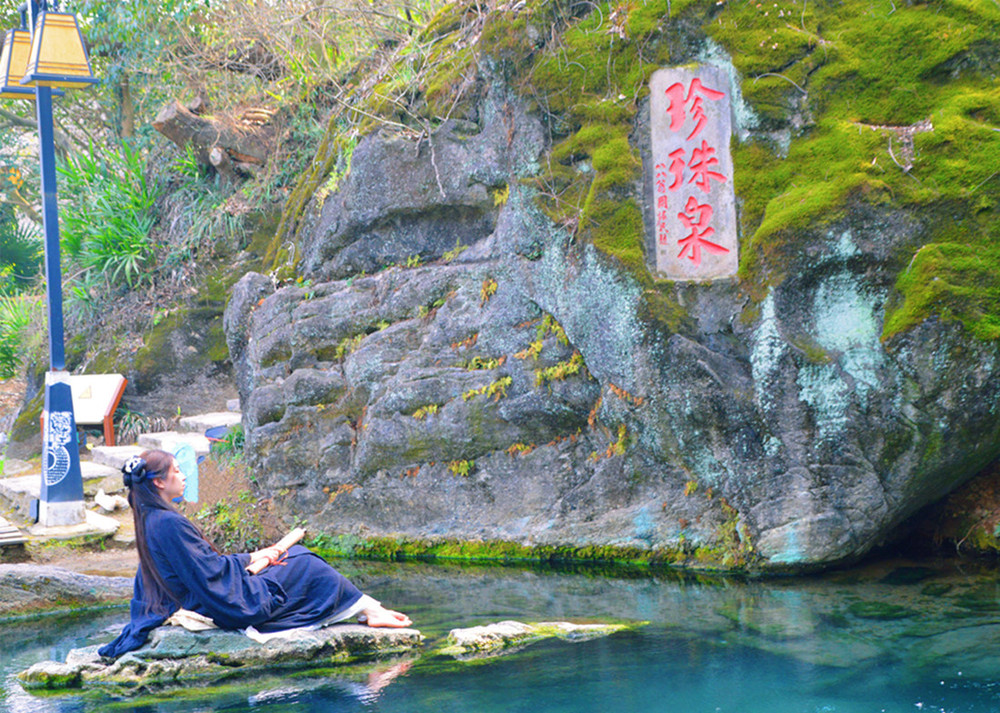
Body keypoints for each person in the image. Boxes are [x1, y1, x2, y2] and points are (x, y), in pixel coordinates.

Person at [99, 449, 411, 658]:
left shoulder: (149, 516)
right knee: (306, 563)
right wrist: (252, 559)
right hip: (207, 602)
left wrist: (256, 556)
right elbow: (209, 572)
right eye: (177, 472)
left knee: (291, 558)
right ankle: (370, 611)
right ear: (158, 482)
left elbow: (200, 567)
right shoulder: (166, 522)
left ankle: (367, 609)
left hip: (191, 594)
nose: (183, 477)